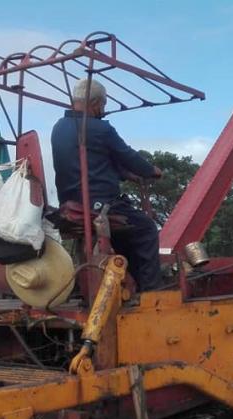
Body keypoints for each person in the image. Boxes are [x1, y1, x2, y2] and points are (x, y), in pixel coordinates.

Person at [51, 78, 163, 292]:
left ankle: (126, 283)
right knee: (146, 228)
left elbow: (93, 161)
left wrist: (125, 175)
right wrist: (151, 171)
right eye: (103, 105)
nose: (103, 110)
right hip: (99, 203)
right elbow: (127, 155)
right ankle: (151, 291)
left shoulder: (59, 127)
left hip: (70, 202)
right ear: (95, 103)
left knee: (125, 230)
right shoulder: (99, 128)